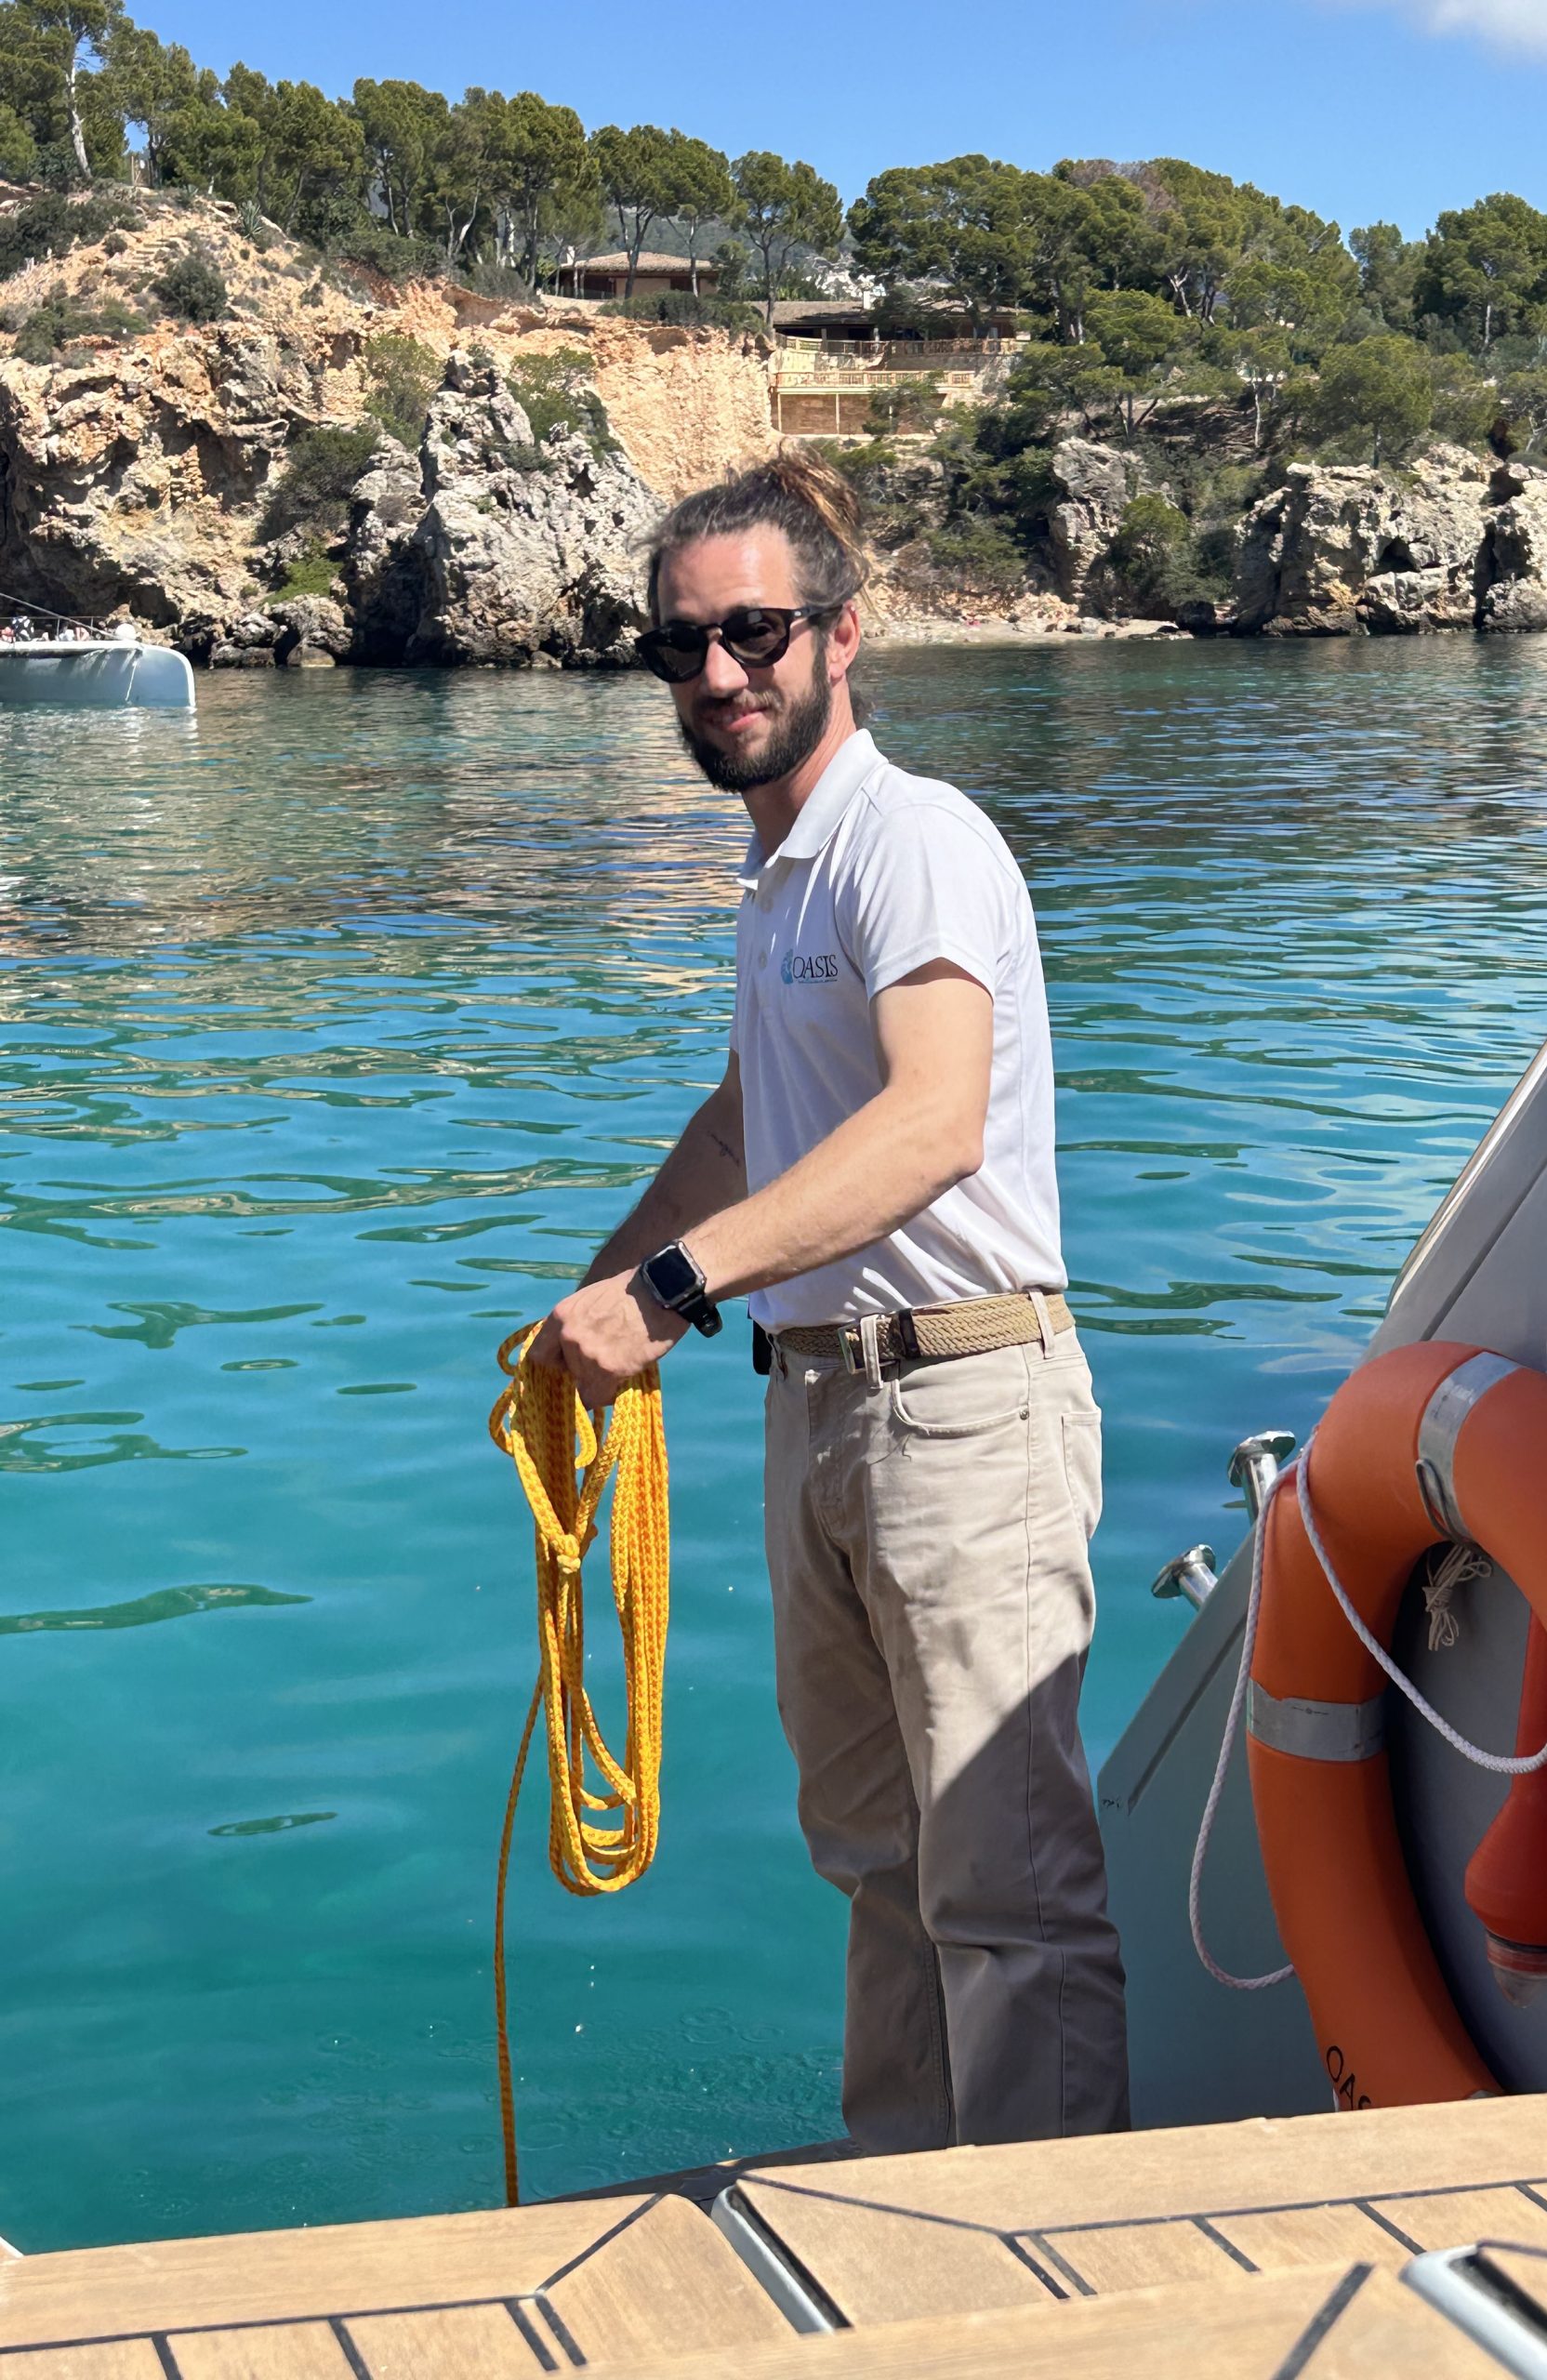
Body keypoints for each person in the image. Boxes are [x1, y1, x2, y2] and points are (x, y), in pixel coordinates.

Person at [530, 453, 1128, 2153]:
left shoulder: (908, 842)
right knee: (878, 1866)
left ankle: (1051, 2261)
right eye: (682, 646)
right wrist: (596, 1297)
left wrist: (671, 1288)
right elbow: (752, 1121)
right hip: (819, 1405)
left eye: (754, 633)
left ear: (841, 634)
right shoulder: (779, 877)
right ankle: (911, 2222)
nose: (718, 674)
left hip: (963, 1408)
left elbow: (931, 1124)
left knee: (1007, 1895)